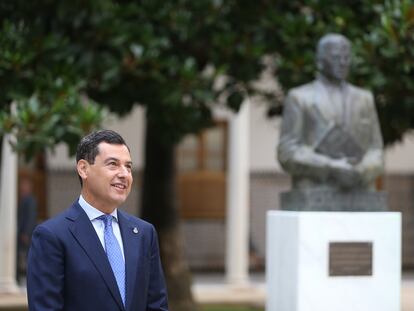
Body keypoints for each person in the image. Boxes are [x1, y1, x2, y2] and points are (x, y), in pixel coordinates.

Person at [27, 130, 168, 311]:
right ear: (83, 169)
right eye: (113, 164)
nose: (124, 174)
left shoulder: (143, 233)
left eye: (128, 167)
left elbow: (157, 305)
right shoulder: (52, 236)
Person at [277, 33, 384, 191]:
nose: (342, 63)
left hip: (360, 189)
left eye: (346, 57)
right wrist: (330, 166)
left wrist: (362, 170)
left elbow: (376, 149)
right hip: (315, 190)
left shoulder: (364, 99)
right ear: (320, 61)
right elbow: (287, 152)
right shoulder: (300, 98)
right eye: (335, 57)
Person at [16, 176, 37, 284]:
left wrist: (26, 233)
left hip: (25, 235)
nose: (22, 187)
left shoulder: (30, 200)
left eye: (24, 185)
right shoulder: (24, 199)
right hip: (21, 234)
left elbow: (30, 217)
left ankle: (26, 279)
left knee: (26, 256)